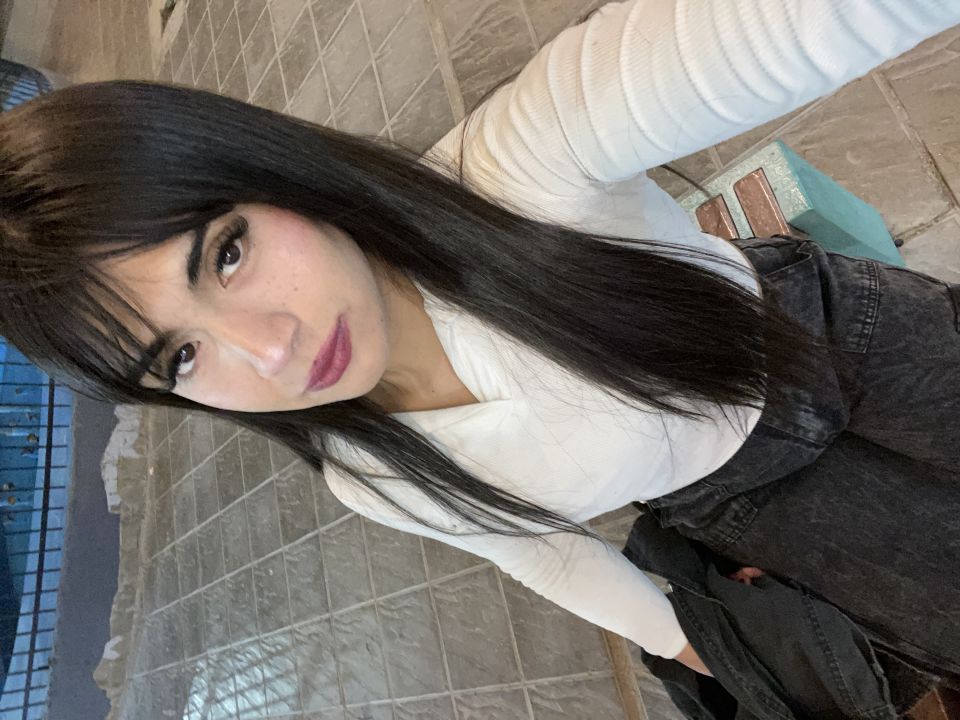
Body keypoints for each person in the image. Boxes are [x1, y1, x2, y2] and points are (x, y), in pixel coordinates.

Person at [0, 0, 958, 685]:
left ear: (261, 169)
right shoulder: (376, 476)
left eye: (227, 253)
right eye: (178, 357)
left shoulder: (521, 167)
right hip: (742, 508)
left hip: (842, 340)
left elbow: (796, 24)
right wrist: (689, 644)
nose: (269, 352)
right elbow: (539, 553)